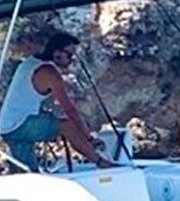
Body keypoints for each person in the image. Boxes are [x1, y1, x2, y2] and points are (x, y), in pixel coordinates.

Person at [0, 32, 113, 171]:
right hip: (19, 124)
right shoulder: (50, 73)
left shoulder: (31, 62)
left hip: (7, 125)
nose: (71, 60)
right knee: (66, 126)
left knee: (28, 173)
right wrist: (88, 137)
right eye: (70, 56)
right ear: (57, 53)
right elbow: (69, 109)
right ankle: (101, 162)